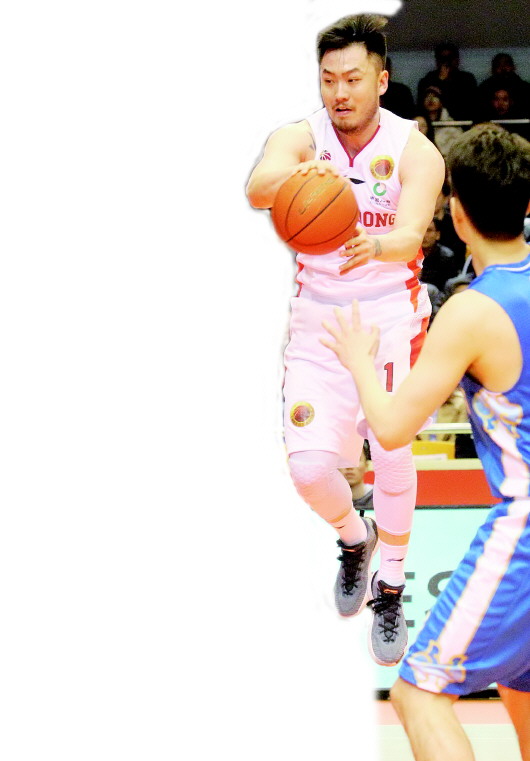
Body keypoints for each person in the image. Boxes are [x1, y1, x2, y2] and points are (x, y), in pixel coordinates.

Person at [321, 123, 530, 761]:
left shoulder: (471, 311)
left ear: (456, 214)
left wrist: (360, 361)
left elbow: (390, 428)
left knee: (417, 695)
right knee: (520, 689)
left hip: (523, 530)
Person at [246, 13, 445, 667]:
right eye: (329, 78)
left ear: (381, 80)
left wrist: (373, 242)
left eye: (353, 78)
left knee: (391, 449)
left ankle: (391, 587)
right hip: (318, 323)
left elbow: (412, 233)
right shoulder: (302, 136)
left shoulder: (415, 150)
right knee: (308, 469)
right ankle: (355, 537)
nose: (339, 91)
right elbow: (258, 188)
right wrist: (309, 179)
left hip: (388, 318)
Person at [417, 42, 477, 122]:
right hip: (434, 124)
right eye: (443, 59)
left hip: (462, 122)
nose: (446, 62)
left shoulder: (467, 79)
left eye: (450, 58)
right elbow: (422, 107)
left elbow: (469, 104)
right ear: (437, 61)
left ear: (457, 60)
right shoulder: (427, 80)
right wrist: (441, 80)